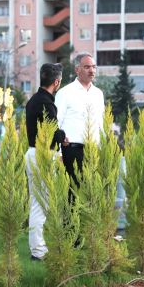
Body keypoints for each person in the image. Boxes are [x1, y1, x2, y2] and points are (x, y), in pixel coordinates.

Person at [24, 63, 67, 261]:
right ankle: (38, 252)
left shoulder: (33, 99)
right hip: (42, 155)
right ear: (56, 82)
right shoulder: (47, 103)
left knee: (36, 202)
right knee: (40, 204)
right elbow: (52, 130)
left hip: (33, 152)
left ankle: (37, 249)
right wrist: (63, 136)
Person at [55, 52, 104, 187]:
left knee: (91, 198)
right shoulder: (65, 93)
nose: (92, 70)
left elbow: (101, 123)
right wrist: (58, 153)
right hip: (71, 152)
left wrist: (104, 149)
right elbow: (55, 124)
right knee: (72, 197)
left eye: (94, 67)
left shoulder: (98, 94)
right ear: (77, 69)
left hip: (94, 152)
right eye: (87, 67)